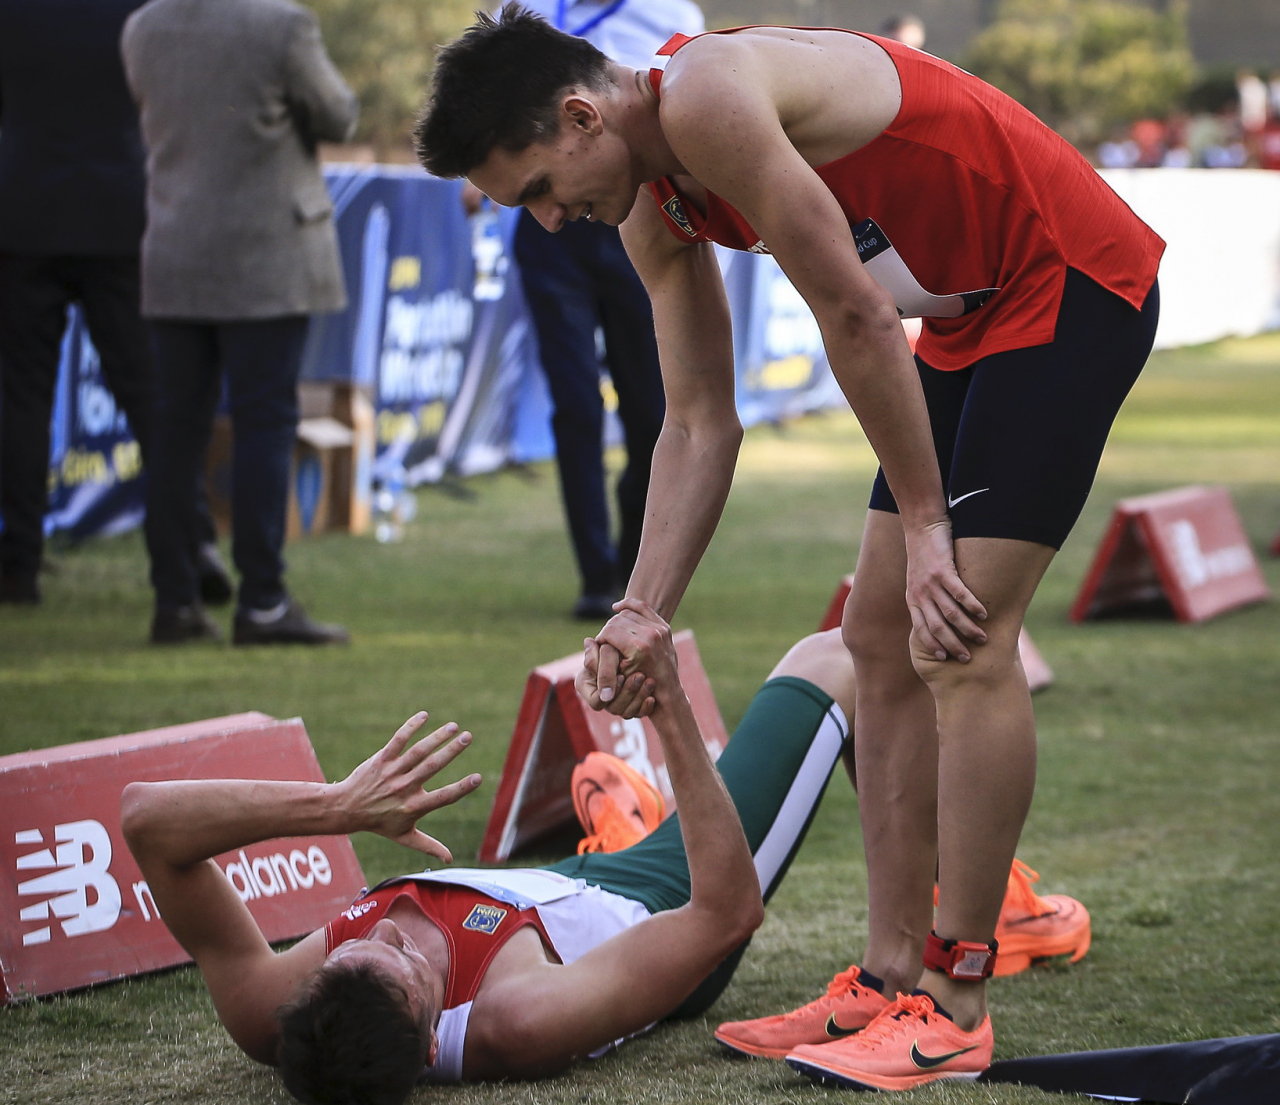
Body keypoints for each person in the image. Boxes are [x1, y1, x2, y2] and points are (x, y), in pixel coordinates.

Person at [416, 6, 1161, 1090]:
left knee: (957, 637)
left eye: (535, 189)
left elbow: (856, 316)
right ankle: (889, 974)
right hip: (969, 314)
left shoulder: (705, 101)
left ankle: (956, 1000)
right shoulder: (649, 200)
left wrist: (926, 526)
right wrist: (640, 608)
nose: (546, 221)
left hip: (1066, 275)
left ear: (580, 116)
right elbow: (696, 421)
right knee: (874, 635)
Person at [122, 605, 855, 1103]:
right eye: (406, 961)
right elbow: (727, 913)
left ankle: (623, 822)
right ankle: (913, 949)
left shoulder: (278, 1015)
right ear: (431, 1037)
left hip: (556, 884)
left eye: (353, 949)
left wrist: (337, 807)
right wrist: (668, 705)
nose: (389, 927)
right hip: (669, 896)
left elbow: (147, 823)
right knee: (839, 658)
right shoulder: (519, 1018)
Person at [122, 0, 356, 645]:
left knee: (176, 431)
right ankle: (263, 602)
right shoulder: (281, 24)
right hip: (266, 256)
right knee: (264, 424)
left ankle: (174, 601)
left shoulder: (142, 26)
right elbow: (338, 114)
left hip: (174, 252)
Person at [464, 0, 701, 620]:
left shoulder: (669, 8)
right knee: (575, 405)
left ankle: (635, 567)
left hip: (632, 208)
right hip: (553, 233)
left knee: (650, 406)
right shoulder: (531, 5)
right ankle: (595, 573)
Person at [0, 0, 230, 608]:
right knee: (153, 398)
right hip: (118, 214)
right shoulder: (139, 13)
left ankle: (17, 565)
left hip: (24, 214)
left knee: (22, 400)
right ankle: (191, 548)